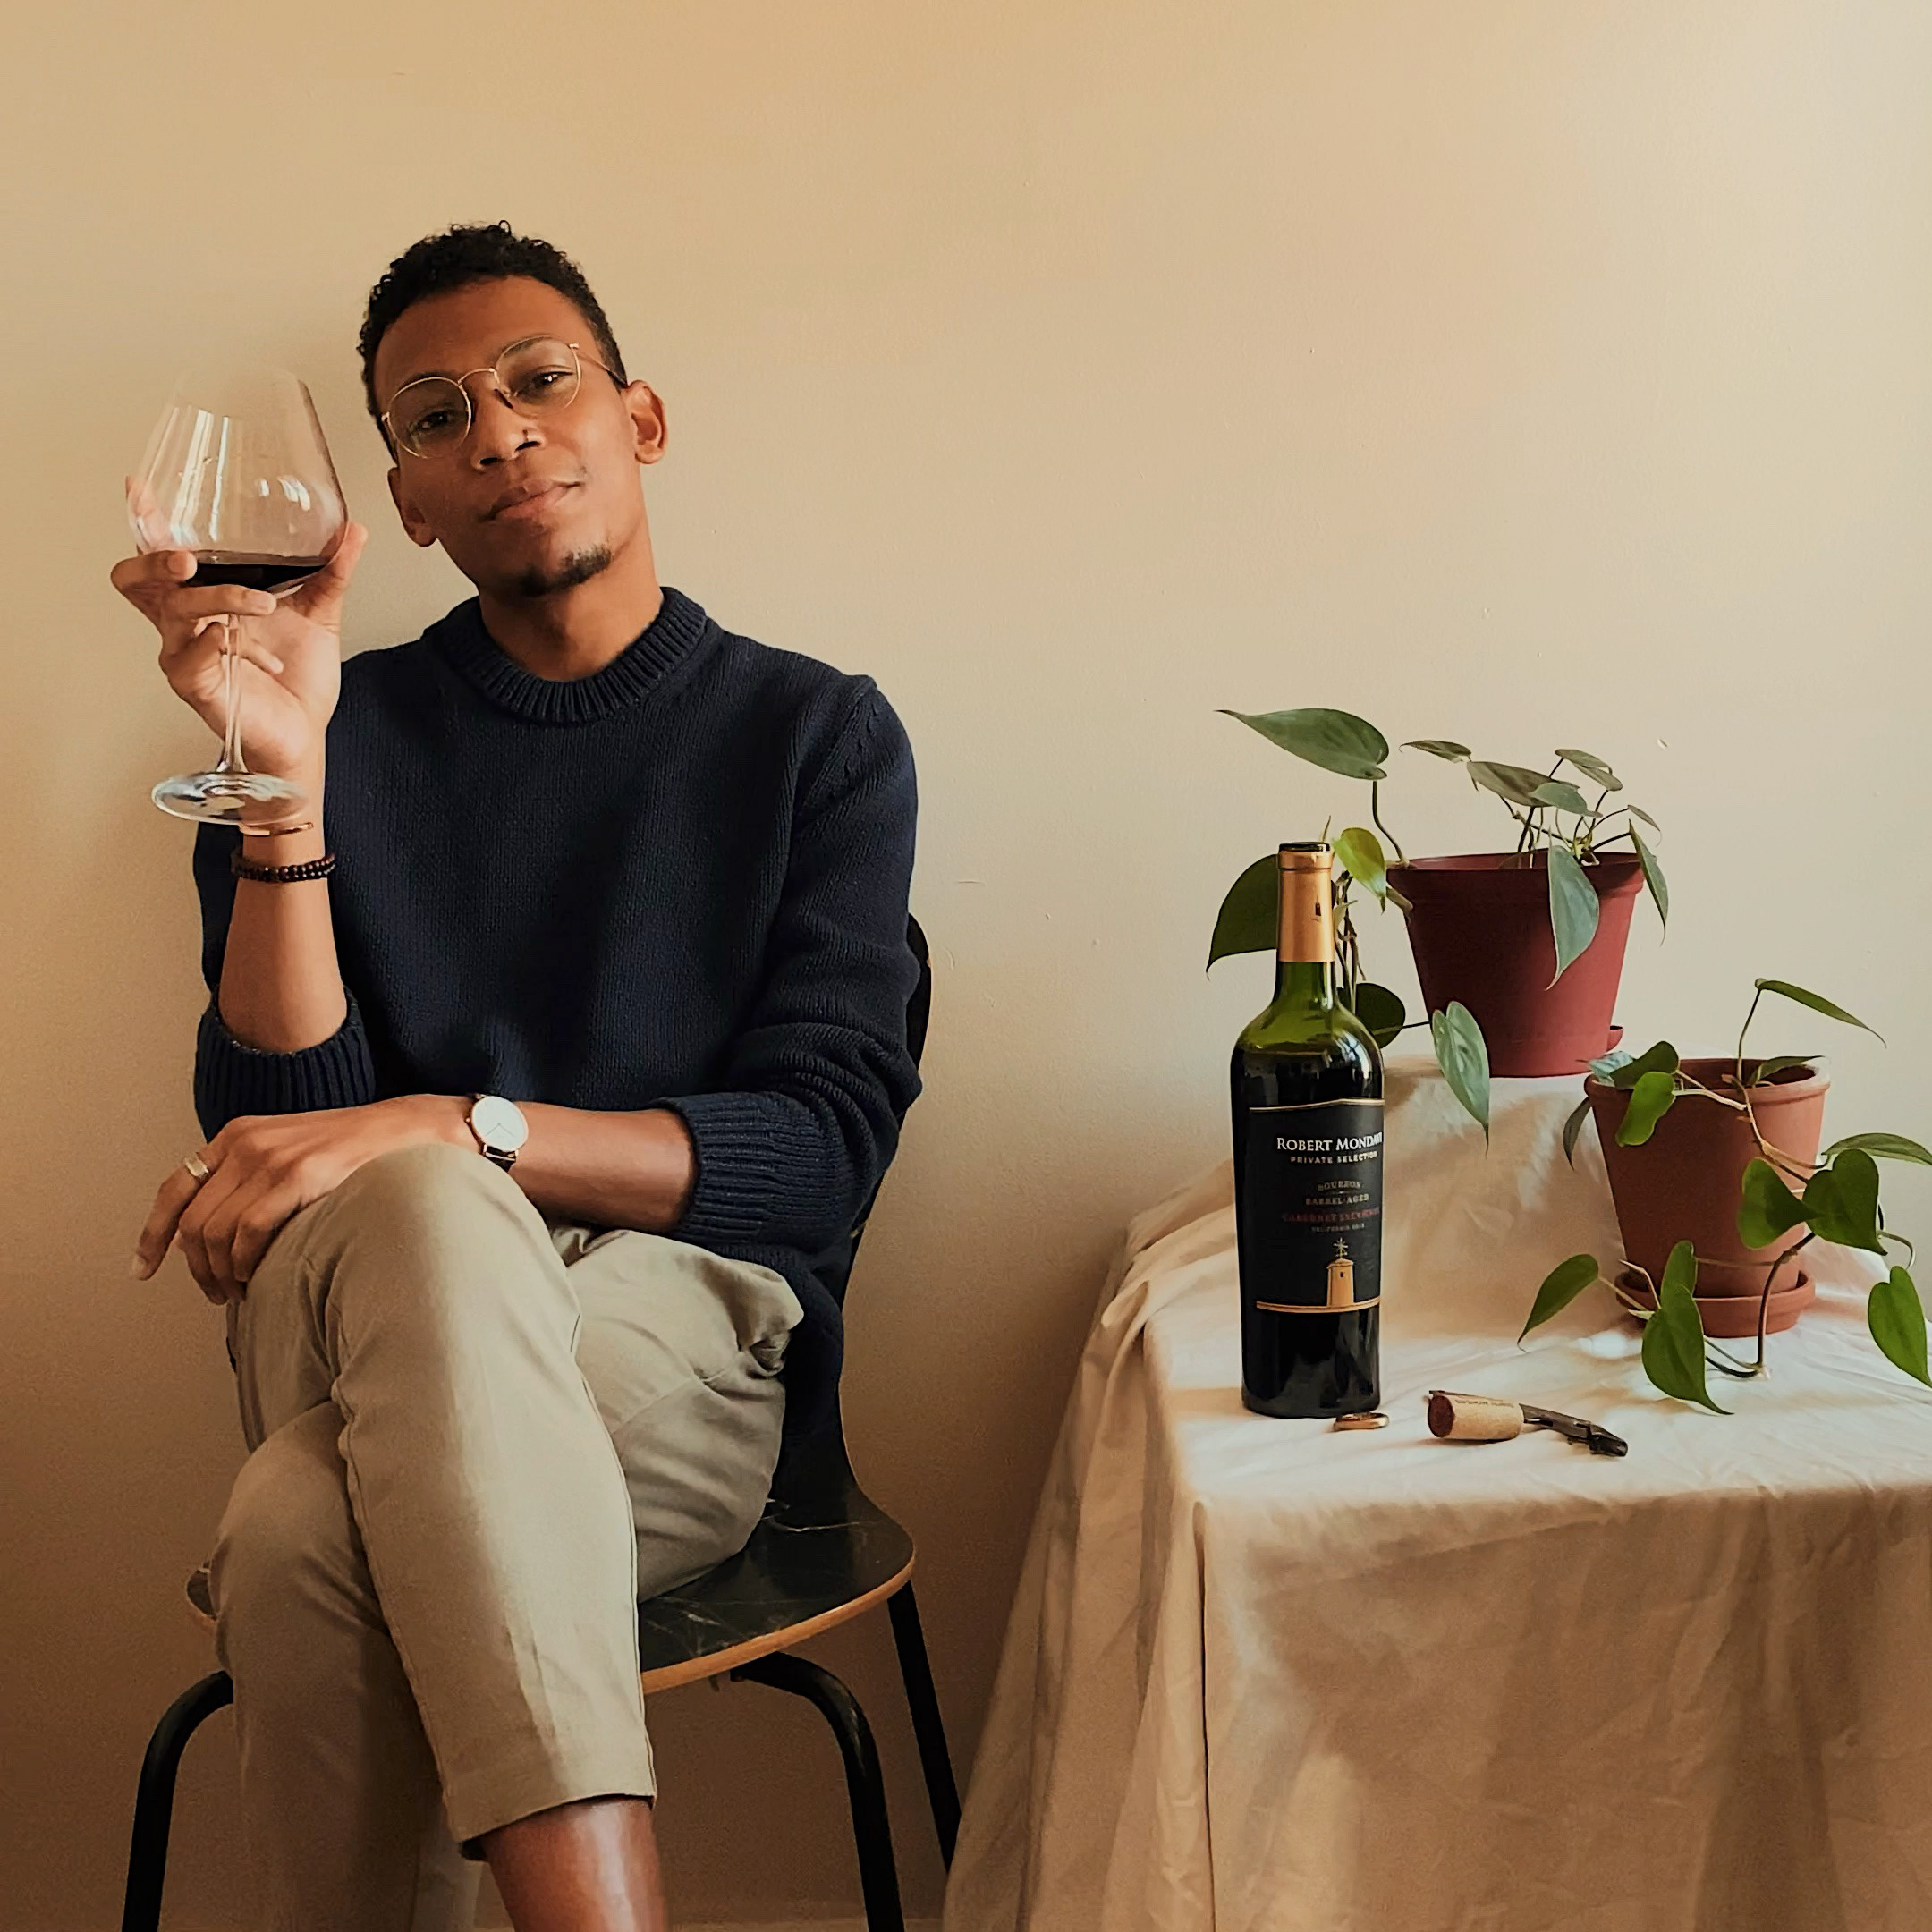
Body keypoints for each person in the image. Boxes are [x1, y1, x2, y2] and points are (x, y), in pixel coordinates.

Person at [110, 222, 922, 1932]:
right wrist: (284, 790)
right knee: (420, 1208)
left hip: (679, 1341)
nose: (497, 431)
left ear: (642, 418)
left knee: (298, 1526)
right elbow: (277, 1141)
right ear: (405, 502)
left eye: (539, 381)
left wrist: (458, 1125)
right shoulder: (328, 730)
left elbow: (817, 1152)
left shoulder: (813, 737)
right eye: (435, 416)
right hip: (355, 1312)